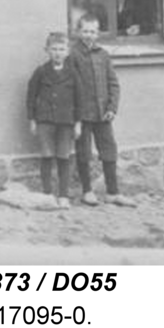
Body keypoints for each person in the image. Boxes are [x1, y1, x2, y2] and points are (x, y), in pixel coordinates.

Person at [70, 13, 136, 207]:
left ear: (98, 33)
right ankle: (87, 191)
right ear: (78, 32)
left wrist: (112, 108)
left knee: (109, 151)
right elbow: (70, 86)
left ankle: (113, 192)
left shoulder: (103, 54)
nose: (89, 35)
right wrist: (75, 116)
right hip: (83, 115)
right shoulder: (73, 55)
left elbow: (113, 83)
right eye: (85, 31)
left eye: (92, 31)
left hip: (103, 114)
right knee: (84, 153)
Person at [26, 32, 81, 209]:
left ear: (68, 51)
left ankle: (64, 195)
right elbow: (31, 97)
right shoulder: (41, 72)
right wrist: (32, 120)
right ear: (47, 51)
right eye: (54, 49)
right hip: (45, 120)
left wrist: (78, 122)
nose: (58, 53)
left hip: (66, 122)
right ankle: (47, 193)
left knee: (64, 156)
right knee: (47, 155)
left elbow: (80, 99)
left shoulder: (73, 73)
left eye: (61, 49)